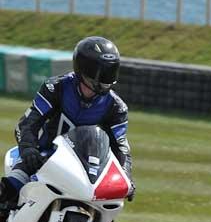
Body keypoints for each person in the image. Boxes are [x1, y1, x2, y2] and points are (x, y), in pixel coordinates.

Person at [0, 36, 133, 204]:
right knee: (10, 188)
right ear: (83, 69)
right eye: (100, 72)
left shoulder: (116, 107)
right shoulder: (56, 87)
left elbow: (121, 147)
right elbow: (27, 123)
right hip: (43, 156)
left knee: (110, 205)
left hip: (86, 170)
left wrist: (125, 176)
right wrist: (28, 150)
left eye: (109, 72)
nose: (104, 79)